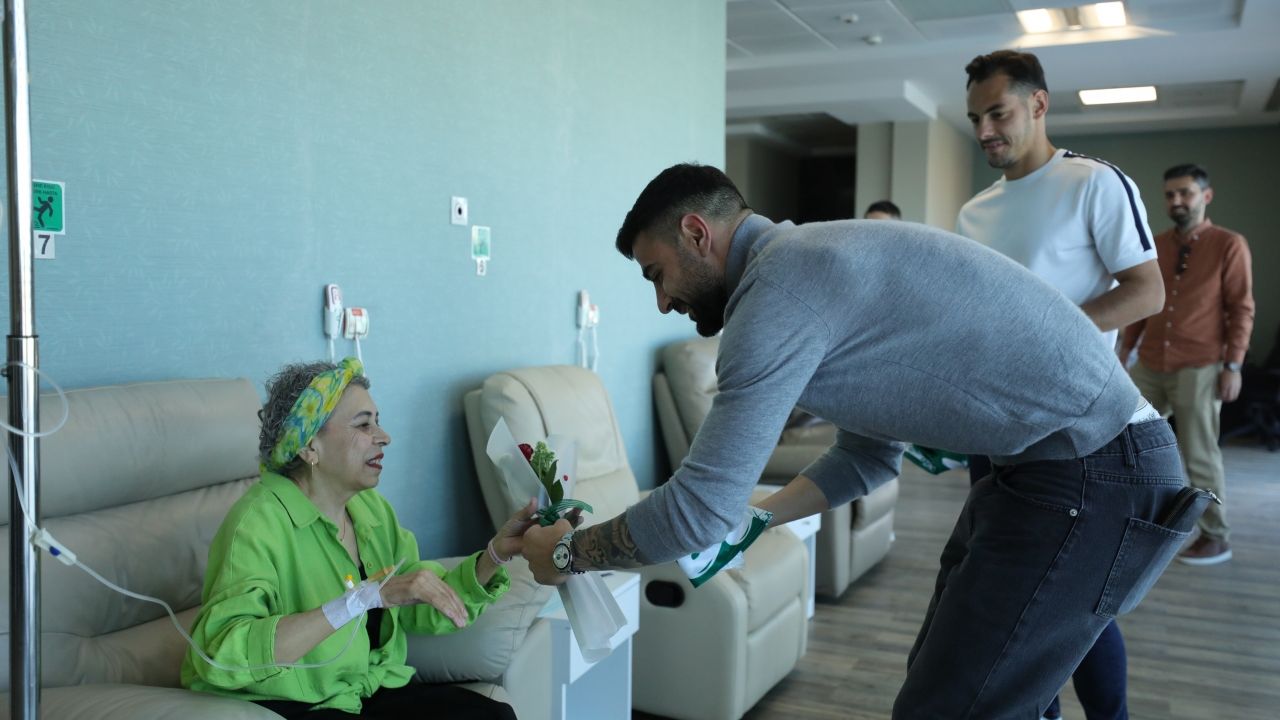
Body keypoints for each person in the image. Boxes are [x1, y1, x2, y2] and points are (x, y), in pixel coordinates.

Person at [522, 163, 1200, 719]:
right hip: (1054, 468)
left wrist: (568, 552)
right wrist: (758, 519)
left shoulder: (777, 293)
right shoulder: (809, 266)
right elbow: (870, 454)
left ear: (697, 233)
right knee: (961, 686)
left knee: (950, 708)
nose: (662, 302)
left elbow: (697, 509)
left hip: (1093, 468)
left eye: (656, 274)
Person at [956, 49, 1165, 720]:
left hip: (1075, 434)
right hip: (992, 435)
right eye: (975, 118)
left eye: (998, 113)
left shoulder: (1094, 184)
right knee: (1012, 603)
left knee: (1076, 603)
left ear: (1039, 104)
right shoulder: (974, 214)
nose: (985, 130)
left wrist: (1051, 332)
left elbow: (1147, 290)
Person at [182, 358, 534, 719]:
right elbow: (222, 652)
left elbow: (419, 601)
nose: (384, 437)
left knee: (493, 716)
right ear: (309, 446)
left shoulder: (370, 509)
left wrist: (494, 554)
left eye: (377, 421)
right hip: (297, 703)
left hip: (365, 689)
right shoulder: (257, 524)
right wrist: (362, 599)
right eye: (363, 424)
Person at [1120, 163, 1254, 565]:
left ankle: (1215, 535)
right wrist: (1123, 353)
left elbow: (1241, 308)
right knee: (1126, 443)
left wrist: (1233, 366)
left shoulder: (1229, 245)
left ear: (1205, 196)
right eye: (1170, 194)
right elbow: (1142, 301)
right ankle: (1129, 520)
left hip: (1200, 366)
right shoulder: (1156, 244)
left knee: (1199, 455)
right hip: (1150, 362)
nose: (1176, 200)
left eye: (1186, 193)